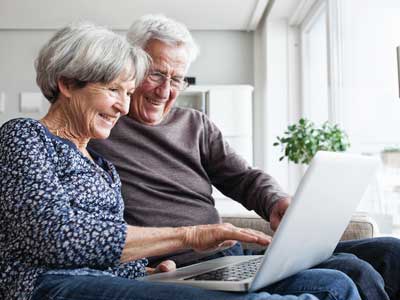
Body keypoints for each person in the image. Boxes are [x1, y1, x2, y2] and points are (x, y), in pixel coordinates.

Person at [0, 22, 360, 300]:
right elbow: (58, 238)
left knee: (336, 285)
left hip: (104, 279)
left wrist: (151, 269)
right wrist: (189, 236)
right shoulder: (25, 136)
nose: (123, 106)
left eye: (126, 93)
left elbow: (106, 252)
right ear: (66, 83)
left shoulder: (100, 164)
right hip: (46, 286)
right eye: (114, 91)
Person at [89, 14, 400, 300]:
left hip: (233, 257)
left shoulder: (194, 124)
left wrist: (276, 202)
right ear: (130, 67)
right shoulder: (99, 129)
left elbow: (243, 177)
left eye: (177, 79)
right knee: (350, 272)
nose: (166, 91)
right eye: (157, 74)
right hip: (182, 268)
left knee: (391, 251)